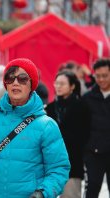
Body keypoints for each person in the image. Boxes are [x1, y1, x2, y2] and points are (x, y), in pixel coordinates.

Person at [0, 58, 70, 198]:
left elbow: (58, 168)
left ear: (32, 84)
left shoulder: (47, 125)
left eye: (22, 78)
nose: (15, 82)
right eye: (10, 78)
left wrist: (43, 193)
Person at [45, 71, 90, 198]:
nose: (58, 86)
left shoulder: (81, 106)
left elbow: (84, 134)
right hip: (51, 163)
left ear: (72, 86)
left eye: (62, 84)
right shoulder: (50, 108)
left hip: (73, 163)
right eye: (56, 83)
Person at [82, 58, 110, 198]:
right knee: (91, 190)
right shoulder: (87, 98)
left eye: (105, 75)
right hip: (93, 153)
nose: (101, 79)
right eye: (97, 76)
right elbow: (81, 126)